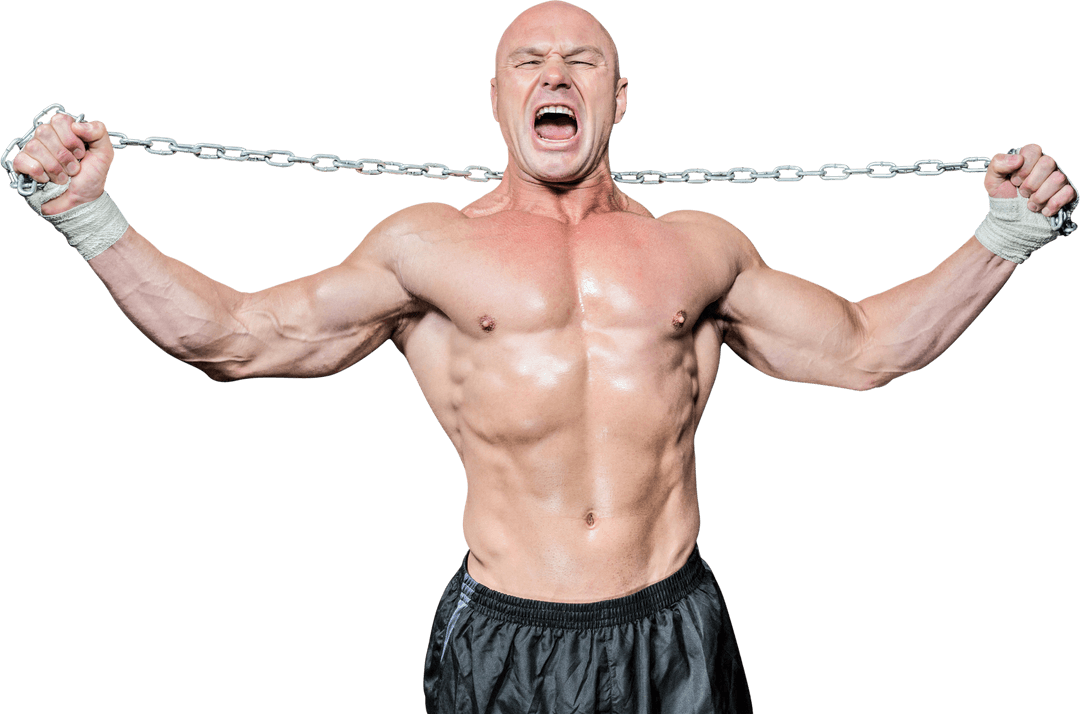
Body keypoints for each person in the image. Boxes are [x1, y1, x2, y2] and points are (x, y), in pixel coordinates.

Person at [11, 0, 1075, 712]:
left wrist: (1006, 234)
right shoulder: (426, 248)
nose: (553, 74)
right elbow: (233, 339)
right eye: (528, 61)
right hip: (505, 642)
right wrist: (83, 212)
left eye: (583, 62)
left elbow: (868, 349)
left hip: (679, 630)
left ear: (617, 100)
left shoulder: (698, 250)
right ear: (497, 98)